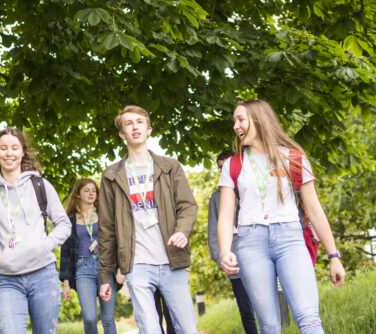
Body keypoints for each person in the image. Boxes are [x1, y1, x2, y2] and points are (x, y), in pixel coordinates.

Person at [217, 99, 346, 334]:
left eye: (240, 119)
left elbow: (315, 211)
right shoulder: (233, 166)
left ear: (259, 119)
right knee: (269, 325)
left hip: (290, 239)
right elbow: (225, 215)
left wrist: (334, 256)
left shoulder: (294, 159)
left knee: (309, 319)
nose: (236, 126)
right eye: (234, 121)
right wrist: (226, 251)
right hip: (250, 242)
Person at [98, 105, 200, 334]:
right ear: (122, 134)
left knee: (188, 329)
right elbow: (106, 229)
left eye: (139, 122)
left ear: (149, 130)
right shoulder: (111, 176)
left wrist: (182, 231)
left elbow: (187, 206)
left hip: (172, 259)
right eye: (128, 123)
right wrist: (105, 275)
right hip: (137, 264)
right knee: (150, 330)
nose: (135, 126)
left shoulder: (169, 167)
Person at [0, 128, 72, 334]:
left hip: (43, 275)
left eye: (15, 148)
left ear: (23, 152)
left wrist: (46, 246)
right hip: (8, 280)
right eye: (4, 148)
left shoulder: (40, 185)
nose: (9, 153)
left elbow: (64, 223)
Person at [59, 178, 125, 334]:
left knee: (108, 320)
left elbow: (118, 241)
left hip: (106, 267)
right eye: (86, 190)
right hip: (83, 269)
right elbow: (66, 252)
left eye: (93, 190)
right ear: (78, 194)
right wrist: (66, 283)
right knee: (89, 318)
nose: (91, 193)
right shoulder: (70, 221)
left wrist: (122, 267)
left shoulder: (105, 215)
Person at [208, 150, 258, 334]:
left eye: (227, 166)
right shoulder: (216, 198)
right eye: (220, 168)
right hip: (234, 261)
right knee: (246, 310)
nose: (224, 171)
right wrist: (220, 258)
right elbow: (213, 233)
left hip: (257, 255)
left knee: (264, 306)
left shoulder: (253, 188)